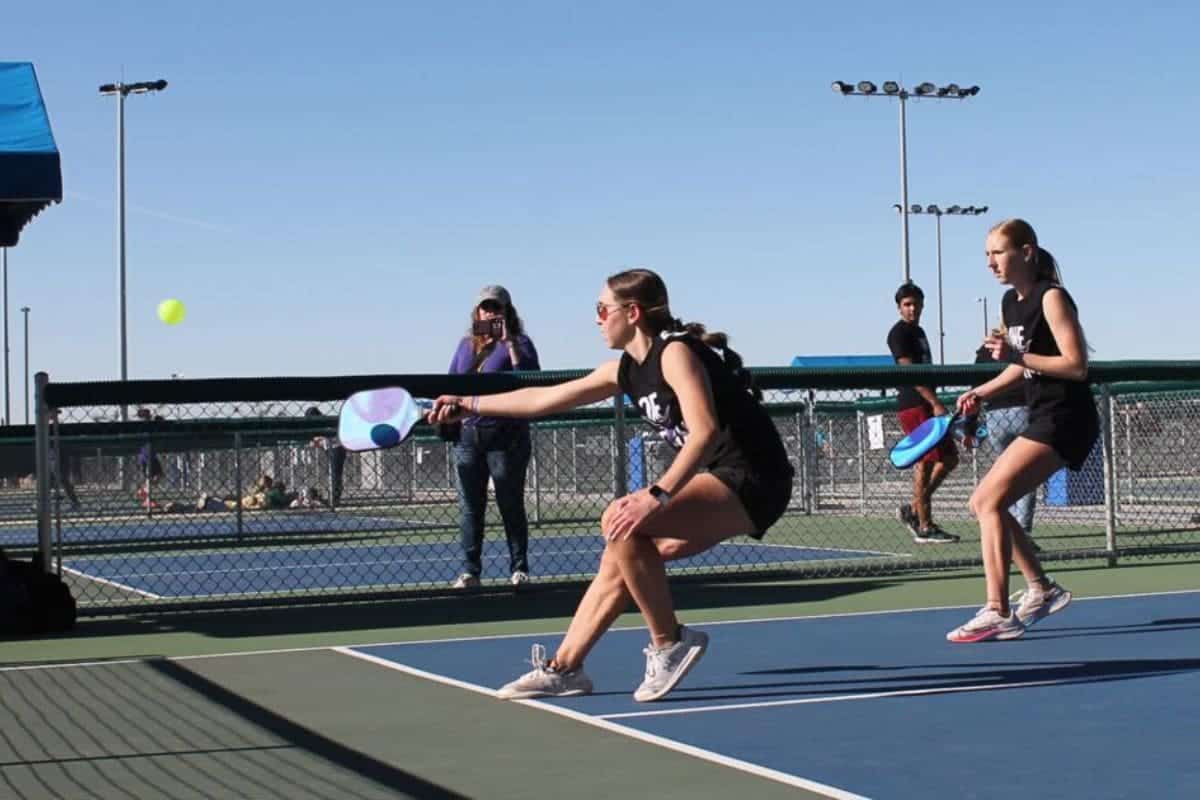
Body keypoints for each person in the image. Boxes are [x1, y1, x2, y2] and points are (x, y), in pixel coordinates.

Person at [428, 268, 794, 702]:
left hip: (754, 478)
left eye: (602, 309)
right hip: (721, 477)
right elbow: (542, 399)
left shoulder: (675, 353)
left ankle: (669, 643)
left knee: (622, 520)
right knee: (620, 557)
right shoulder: (624, 369)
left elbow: (705, 431)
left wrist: (656, 495)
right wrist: (468, 405)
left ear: (633, 312)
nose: (597, 319)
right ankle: (565, 668)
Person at [947, 219, 1095, 643]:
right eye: (987, 255)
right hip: (1041, 416)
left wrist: (1019, 355)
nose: (991, 262)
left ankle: (998, 610)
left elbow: (1075, 365)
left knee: (987, 501)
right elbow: (1020, 365)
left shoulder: (1053, 298)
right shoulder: (1010, 304)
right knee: (984, 504)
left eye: (998, 252)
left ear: (1026, 252)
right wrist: (983, 390)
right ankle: (1042, 589)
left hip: (1066, 419)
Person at [446, 285, 541, 588]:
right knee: (470, 506)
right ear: (477, 312)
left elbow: (532, 380)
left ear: (507, 311)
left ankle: (519, 568)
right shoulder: (465, 346)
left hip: (506, 434)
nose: (490, 313)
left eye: (496, 308)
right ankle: (470, 570)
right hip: (469, 434)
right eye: (485, 308)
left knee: (510, 502)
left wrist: (510, 345)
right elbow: (450, 382)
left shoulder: (521, 343)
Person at [886, 282, 960, 544]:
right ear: (899, 308)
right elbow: (909, 371)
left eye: (916, 303)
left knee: (950, 458)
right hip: (914, 405)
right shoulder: (899, 334)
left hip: (928, 405)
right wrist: (935, 402)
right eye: (907, 304)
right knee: (925, 463)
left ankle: (916, 508)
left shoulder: (920, 332)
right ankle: (925, 525)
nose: (912, 308)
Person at [973, 331, 1042, 553]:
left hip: (995, 415)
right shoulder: (1022, 346)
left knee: (1006, 475)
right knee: (1025, 476)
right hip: (1021, 410)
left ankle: (1010, 532)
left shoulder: (986, 350)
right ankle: (1021, 532)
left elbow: (976, 381)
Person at [305, 406, 346, 507]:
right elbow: (318, 440)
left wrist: (319, 438)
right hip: (330, 448)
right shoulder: (318, 425)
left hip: (337, 448)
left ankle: (335, 499)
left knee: (335, 474)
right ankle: (334, 497)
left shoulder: (325, 422)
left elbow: (329, 434)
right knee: (333, 473)